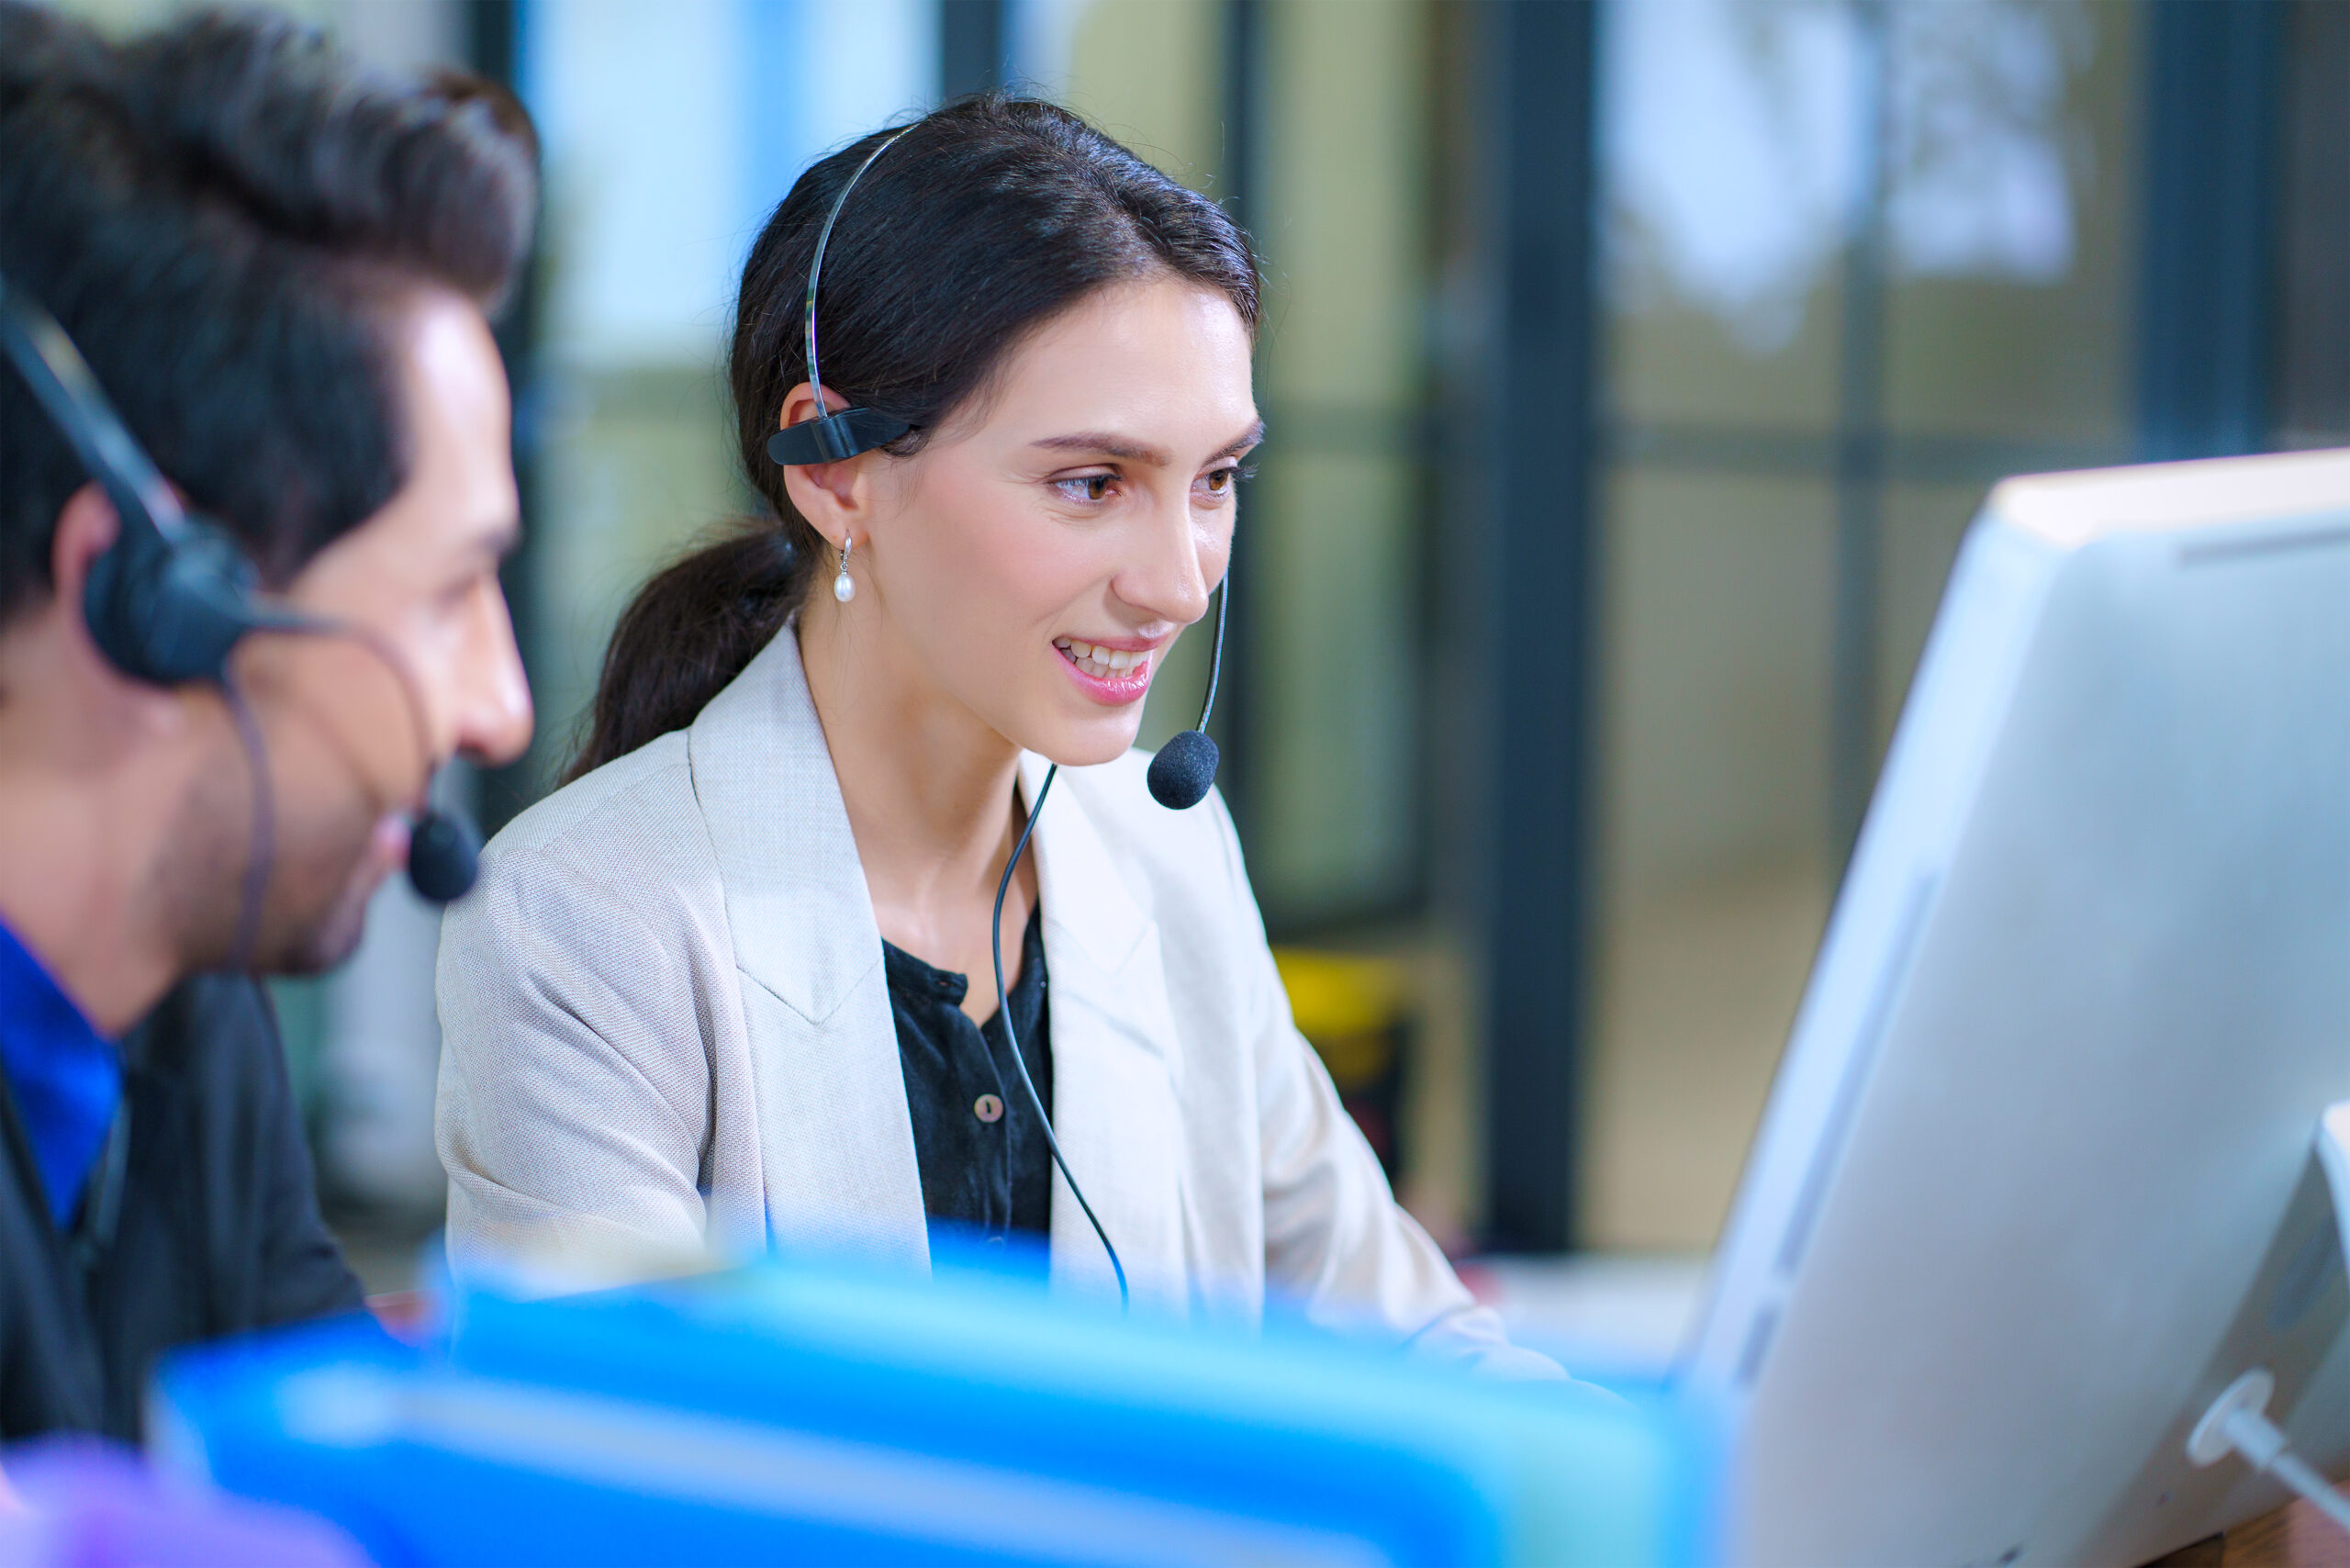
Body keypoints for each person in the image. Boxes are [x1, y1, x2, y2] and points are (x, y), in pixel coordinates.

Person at [435, 96, 1554, 1376]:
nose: (1182, 584)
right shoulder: (585, 922)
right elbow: (618, 1477)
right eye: (1092, 484)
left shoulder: (1162, 851)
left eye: (1216, 481)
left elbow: (1405, 1326)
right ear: (836, 471)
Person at [0, 6, 536, 1442]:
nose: (502, 706)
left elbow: (353, 1465)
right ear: (148, 599)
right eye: (448, 594)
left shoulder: (184, 1011)